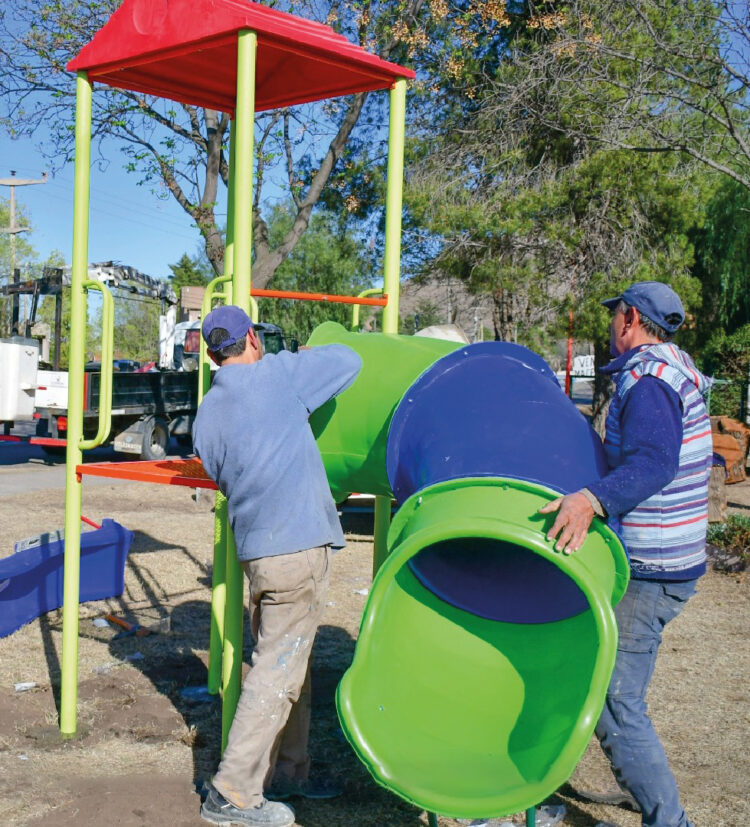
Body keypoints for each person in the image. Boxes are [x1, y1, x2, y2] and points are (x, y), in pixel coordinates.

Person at [540, 281, 712, 827]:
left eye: (615, 313)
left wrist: (592, 499)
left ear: (631, 318)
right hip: (666, 557)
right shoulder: (672, 368)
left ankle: (670, 820)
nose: (611, 322)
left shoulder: (650, 381)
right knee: (585, 673)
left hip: (653, 567)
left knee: (615, 700)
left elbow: (655, 463)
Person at [193, 305, 362, 827]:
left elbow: (220, 472)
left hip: (259, 553)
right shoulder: (279, 374)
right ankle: (233, 792)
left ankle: (290, 770)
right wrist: (304, 354)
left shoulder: (206, 415)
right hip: (298, 550)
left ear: (209, 352)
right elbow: (349, 360)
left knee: (290, 661)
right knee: (276, 672)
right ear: (252, 340)